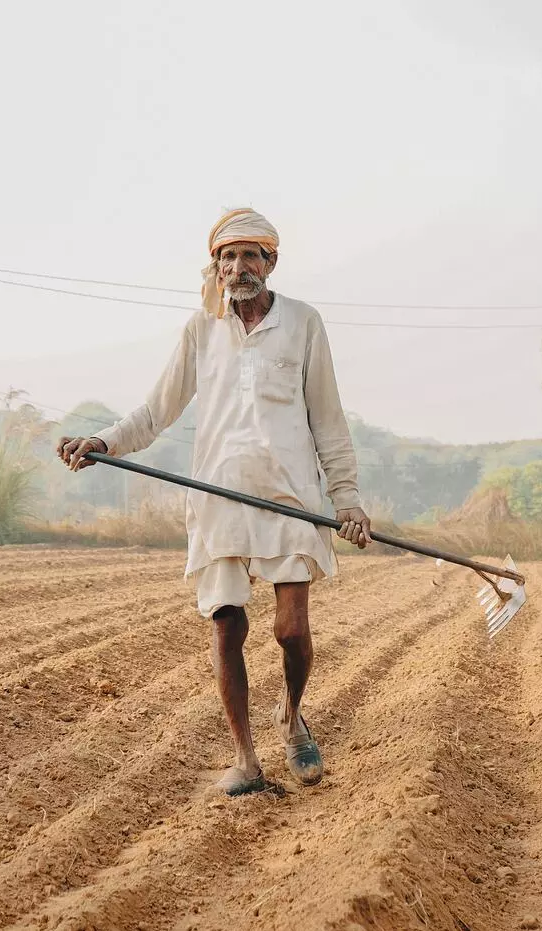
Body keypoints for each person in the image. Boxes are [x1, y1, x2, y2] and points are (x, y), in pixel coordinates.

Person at [56, 208, 371, 796]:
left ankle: (293, 715)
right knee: (227, 627)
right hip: (219, 498)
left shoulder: (303, 323)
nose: (237, 268)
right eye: (227, 258)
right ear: (216, 268)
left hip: (291, 497)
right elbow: (157, 410)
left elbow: (328, 417)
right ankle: (246, 761)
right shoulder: (201, 330)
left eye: (249, 256)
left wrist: (347, 498)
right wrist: (103, 441)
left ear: (270, 262)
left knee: (291, 630)